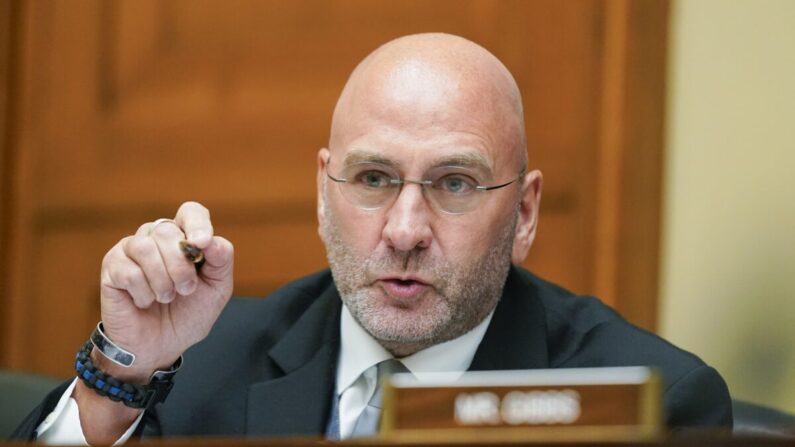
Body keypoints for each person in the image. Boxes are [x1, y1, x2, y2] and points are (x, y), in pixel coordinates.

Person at [12, 33, 732, 444]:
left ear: (524, 213)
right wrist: (123, 370)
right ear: (324, 191)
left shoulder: (651, 403)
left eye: (454, 183)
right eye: (374, 178)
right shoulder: (200, 362)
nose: (405, 230)